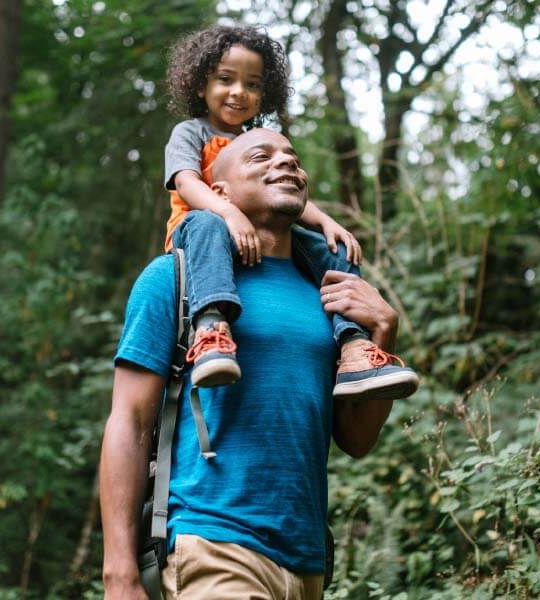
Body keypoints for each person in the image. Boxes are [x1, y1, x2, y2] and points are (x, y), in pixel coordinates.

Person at [101, 129, 412, 599]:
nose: (286, 162)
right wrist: (119, 573)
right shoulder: (173, 277)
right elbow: (129, 419)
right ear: (219, 191)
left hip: (307, 563)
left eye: (293, 156)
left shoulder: (330, 293)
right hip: (212, 543)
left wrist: (383, 333)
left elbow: (356, 439)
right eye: (261, 156)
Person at [163, 24, 418, 400]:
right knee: (205, 223)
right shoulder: (191, 133)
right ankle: (212, 329)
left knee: (333, 250)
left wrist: (327, 222)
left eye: (252, 85)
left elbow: (285, 195)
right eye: (225, 80)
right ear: (200, 85)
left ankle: (354, 347)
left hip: (259, 236)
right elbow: (186, 183)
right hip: (202, 236)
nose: (239, 92)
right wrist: (228, 212)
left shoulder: (258, 138)